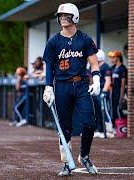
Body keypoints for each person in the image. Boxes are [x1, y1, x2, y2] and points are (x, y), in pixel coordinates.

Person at [42, 3, 100, 176]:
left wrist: (96, 79)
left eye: (66, 15)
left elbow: (94, 62)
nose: (62, 18)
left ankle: (85, 155)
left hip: (81, 84)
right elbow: (49, 67)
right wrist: (48, 88)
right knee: (64, 126)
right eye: (60, 16)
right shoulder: (53, 41)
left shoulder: (84, 39)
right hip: (62, 86)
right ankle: (67, 163)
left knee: (90, 121)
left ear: (74, 16)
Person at [92, 49, 114, 138]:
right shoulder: (95, 67)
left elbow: (108, 80)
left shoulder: (105, 67)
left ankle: (109, 130)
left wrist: (104, 91)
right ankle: (100, 130)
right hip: (96, 90)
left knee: (105, 111)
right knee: (97, 111)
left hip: (102, 91)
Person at [108, 50, 127, 126]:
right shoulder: (112, 68)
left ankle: (120, 126)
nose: (111, 59)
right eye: (111, 58)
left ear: (118, 58)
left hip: (118, 92)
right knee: (112, 109)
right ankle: (113, 125)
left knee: (118, 109)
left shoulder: (122, 68)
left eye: (113, 57)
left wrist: (121, 97)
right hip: (112, 92)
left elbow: (123, 84)